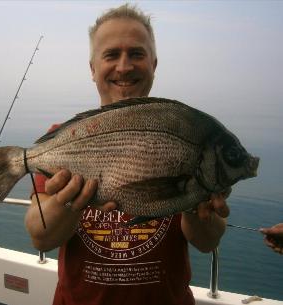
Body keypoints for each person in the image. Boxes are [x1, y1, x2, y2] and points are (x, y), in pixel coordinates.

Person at [25, 4, 229, 305]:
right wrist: (67, 204)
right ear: (93, 68)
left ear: (154, 64)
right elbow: (40, 237)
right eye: (111, 55)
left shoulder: (186, 133)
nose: (124, 67)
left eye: (136, 54)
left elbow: (207, 241)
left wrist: (193, 201)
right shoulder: (63, 138)